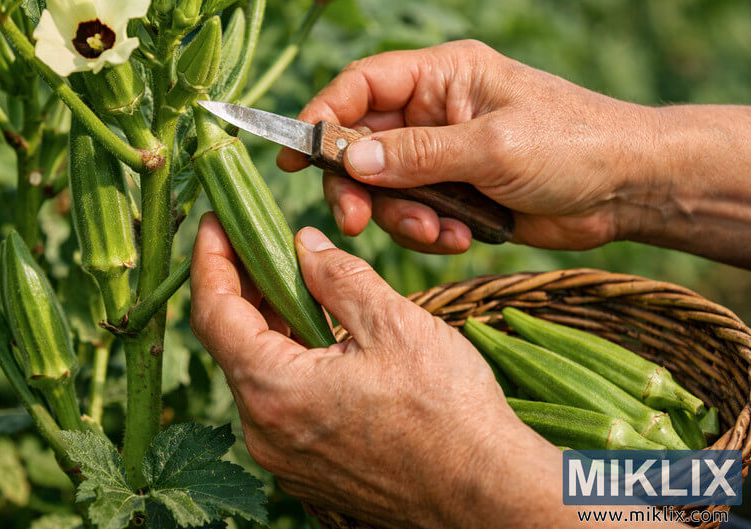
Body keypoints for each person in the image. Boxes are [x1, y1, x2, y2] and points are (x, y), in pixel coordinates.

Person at [189, 40, 751, 527]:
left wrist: (472, 482)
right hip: (728, 495)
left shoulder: (700, 491)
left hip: (723, 499)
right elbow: (694, 499)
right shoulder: (706, 484)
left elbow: (691, 504)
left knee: (692, 485)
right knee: (695, 483)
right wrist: (626, 175)